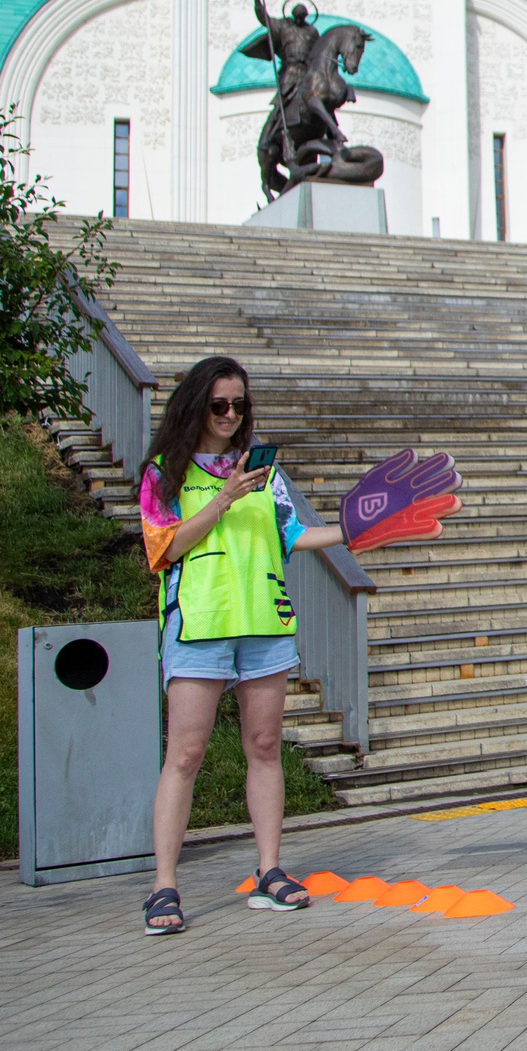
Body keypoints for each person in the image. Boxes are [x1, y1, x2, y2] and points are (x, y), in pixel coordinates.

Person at [135, 356, 382, 935]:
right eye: (218, 404)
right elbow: (162, 550)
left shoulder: (263, 473)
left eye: (239, 405)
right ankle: (163, 886)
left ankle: (270, 872)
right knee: (186, 754)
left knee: (265, 745)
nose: (229, 415)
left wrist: (358, 529)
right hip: (198, 625)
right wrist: (221, 498)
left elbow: (292, 536)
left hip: (263, 624)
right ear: (195, 406)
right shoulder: (162, 474)